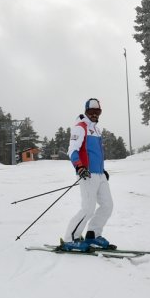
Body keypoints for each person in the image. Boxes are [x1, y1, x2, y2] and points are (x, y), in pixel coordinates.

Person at [60, 98, 114, 251]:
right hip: (87, 174)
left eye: (98, 112)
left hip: (99, 175)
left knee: (107, 205)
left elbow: (95, 153)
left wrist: (101, 170)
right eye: (92, 112)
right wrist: (80, 167)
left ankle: (93, 234)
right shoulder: (80, 127)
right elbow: (73, 150)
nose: (95, 114)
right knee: (88, 208)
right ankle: (70, 238)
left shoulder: (96, 129)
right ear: (86, 111)